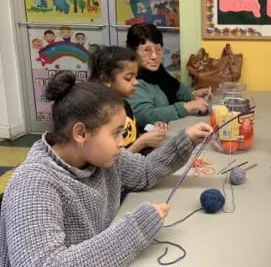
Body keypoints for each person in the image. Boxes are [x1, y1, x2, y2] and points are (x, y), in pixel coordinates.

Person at [0, 71, 212, 266]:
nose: (122, 142)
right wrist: (135, 229)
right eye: (116, 133)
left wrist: (187, 139)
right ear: (81, 133)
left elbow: (144, 171)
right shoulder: (33, 184)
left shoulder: (102, 158)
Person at [89, 46, 167, 155]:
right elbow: (113, 161)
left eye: (136, 76)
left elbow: (132, 134)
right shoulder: (100, 114)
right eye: (128, 78)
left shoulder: (123, 103)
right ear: (106, 80)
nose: (136, 82)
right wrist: (142, 142)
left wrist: (151, 129)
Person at [126, 23, 209, 126]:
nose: (154, 56)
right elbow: (147, 116)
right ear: (132, 52)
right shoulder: (130, 79)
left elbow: (175, 87)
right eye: (146, 50)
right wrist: (186, 107)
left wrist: (193, 94)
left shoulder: (158, 72)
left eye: (158, 49)